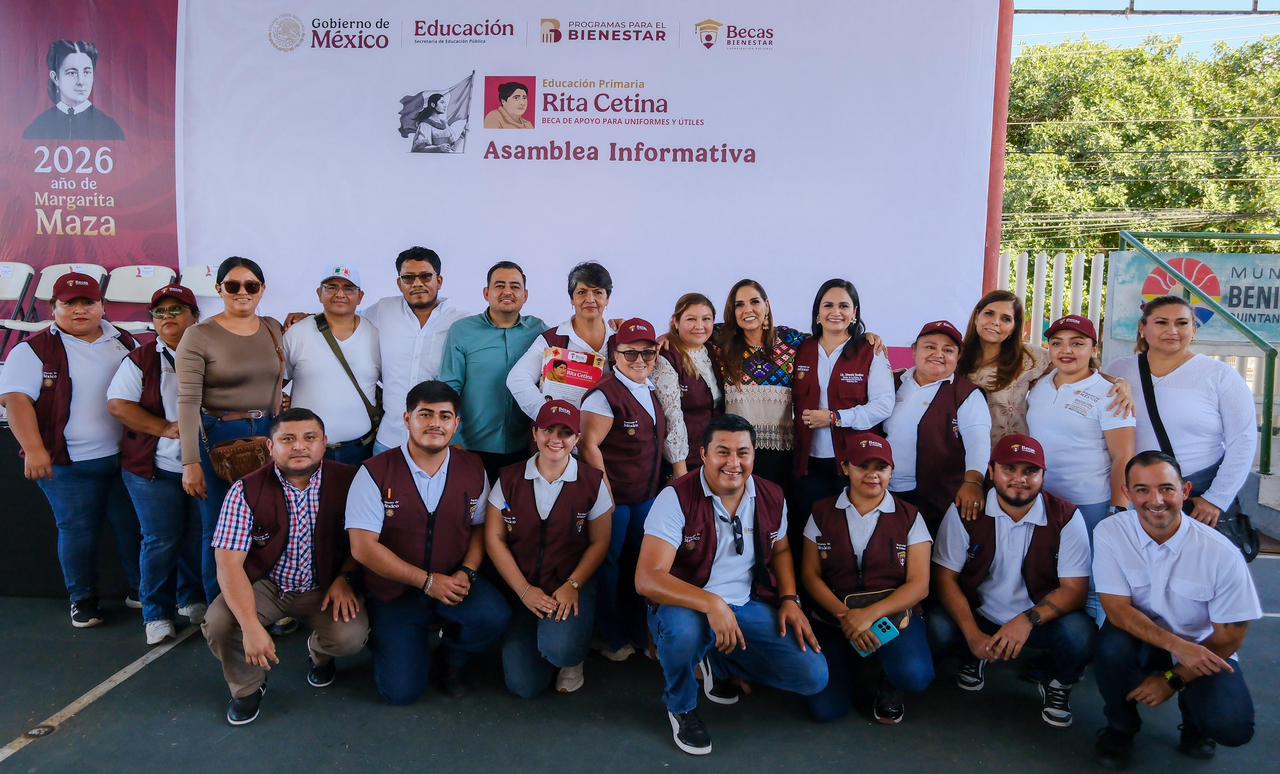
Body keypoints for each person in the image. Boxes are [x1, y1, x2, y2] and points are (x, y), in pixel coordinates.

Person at [636, 413, 827, 756]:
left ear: (754, 455)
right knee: (684, 634)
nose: (733, 463)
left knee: (813, 676)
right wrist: (712, 603)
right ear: (703, 454)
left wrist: (789, 598)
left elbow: (782, 549)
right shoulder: (675, 497)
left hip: (747, 602)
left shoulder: (771, 495)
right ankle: (681, 707)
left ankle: (718, 661)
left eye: (743, 452)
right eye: (722, 452)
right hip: (687, 604)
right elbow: (648, 578)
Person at [346, 380, 510, 704]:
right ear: (407, 419)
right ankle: (395, 641)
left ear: (456, 424)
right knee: (401, 693)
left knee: (494, 615)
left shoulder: (473, 468)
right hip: (394, 591)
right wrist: (427, 581)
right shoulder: (374, 472)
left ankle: (451, 658)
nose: (435, 423)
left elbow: (480, 528)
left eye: (445, 416)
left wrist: (467, 570)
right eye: (425, 414)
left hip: (452, 579)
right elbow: (363, 547)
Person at [1092, 451, 1260, 769]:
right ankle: (1120, 727)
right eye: (1142, 490)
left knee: (1233, 727)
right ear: (1127, 493)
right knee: (1110, 647)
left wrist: (1172, 679)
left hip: (1204, 647)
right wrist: (1177, 647)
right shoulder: (1110, 532)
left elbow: (1230, 637)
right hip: (1147, 638)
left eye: (1166, 489)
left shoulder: (1222, 554)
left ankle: (1196, 724)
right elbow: (1117, 610)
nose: (1156, 500)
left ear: (1185, 491)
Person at [202, 409, 368, 726]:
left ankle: (319, 651)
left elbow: (366, 542)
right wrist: (251, 627)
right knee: (220, 623)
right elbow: (228, 564)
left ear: (324, 442)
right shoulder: (245, 490)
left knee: (349, 637)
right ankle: (247, 687)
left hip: (326, 585)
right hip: (267, 585)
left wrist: (345, 577)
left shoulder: (352, 481)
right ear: (270, 446)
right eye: (288, 439)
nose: (299, 446)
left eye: (310, 438)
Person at [0, 273, 141, 627]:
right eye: (69, 303)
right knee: (78, 531)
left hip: (123, 459)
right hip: (66, 463)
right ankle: (83, 600)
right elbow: (16, 401)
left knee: (133, 527)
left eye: (87, 303)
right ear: (54, 308)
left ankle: (142, 590)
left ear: (102, 306)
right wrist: (34, 450)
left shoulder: (125, 341)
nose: (80, 310)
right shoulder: (31, 350)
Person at [929, 434, 1095, 728]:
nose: (1020, 479)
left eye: (1030, 471)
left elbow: (1075, 591)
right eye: (1009, 469)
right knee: (937, 626)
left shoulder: (1066, 516)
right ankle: (973, 654)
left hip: (1035, 620)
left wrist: (1027, 620)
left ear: (1043, 475)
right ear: (991, 472)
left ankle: (1059, 682)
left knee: (1080, 633)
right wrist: (972, 634)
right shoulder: (966, 509)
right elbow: (945, 577)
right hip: (979, 615)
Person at [802, 433, 934, 725]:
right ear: (845, 467)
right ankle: (854, 663)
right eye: (863, 466)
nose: (873, 475)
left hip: (893, 618)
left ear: (891, 471)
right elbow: (810, 575)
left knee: (915, 675)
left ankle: (888, 677)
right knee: (826, 710)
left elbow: (919, 585)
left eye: (881, 467)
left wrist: (868, 615)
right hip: (835, 618)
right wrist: (847, 617)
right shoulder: (821, 512)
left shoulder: (910, 516)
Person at [485, 400, 613, 697]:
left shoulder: (591, 482)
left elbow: (600, 542)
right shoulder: (509, 478)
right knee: (523, 685)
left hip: (568, 585)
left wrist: (573, 584)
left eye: (565, 432)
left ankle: (569, 655)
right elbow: (494, 538)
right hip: (525, 587)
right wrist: (524, 591)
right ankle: (547, 642)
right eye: (548, 430)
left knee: (560, 649)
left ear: (577, 439)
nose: (556, 439)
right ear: (534, 433)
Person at [1106, 295, 1257, 542]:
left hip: (1197, 500)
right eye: (1161, 322)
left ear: (1194, 329)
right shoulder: (1118, 371)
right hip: (1136, 497)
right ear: (1143, 328)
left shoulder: (1220, 375)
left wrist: (1216, 498)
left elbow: (1244, 440)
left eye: (1182, 323)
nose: (1172, 331)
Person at [178, 257, 285, 604]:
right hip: (219, 438)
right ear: (219, 288)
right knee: (219, 529)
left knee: (265, 524)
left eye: (251, 285)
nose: (243, 292)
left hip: (268, 434)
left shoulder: (272, 327)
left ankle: (263, 606)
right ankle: (220, 611)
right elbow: (187, 402)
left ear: (262, 290)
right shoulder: (199, 335)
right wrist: (190, 462)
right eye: (233, 285)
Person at [107, 285, 206, 644]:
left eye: (176, 310)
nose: (167, 317)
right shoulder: (141, 358)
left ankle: (191, 598)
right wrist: (164, 428)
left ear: (195, 316)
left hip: (205, 465)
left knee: (197, 537)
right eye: (160, 312)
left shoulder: (214, 351)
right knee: (161, 540)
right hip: (153, 469)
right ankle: (156, 614)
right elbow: (118, 405)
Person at [1026, 314, 1135, 620]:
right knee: (1053, 578)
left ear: (1093, 349)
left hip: (1089, 504)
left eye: (1077, 343)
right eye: (1057, 343)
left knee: (1095, 583)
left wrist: (1118, 510)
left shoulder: (1111, 393)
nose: (1066, 350)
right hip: (1042, 502)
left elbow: (1123, 456)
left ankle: (1096, 643)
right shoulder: (1039, 384)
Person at [580, 318, 666, 661]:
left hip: (644, 496)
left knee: (640, 565)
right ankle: (610, 637)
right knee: (609, 567)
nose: (639, 360)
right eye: (630, 353)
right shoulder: (604, 395)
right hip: (615, 500)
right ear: (615, 354)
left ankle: (639, 631)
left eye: (647, 353)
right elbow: (588, 445)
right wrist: (606, 496)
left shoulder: (649, 388)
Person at [791, 279, 894, 547]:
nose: (835, 312)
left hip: (852, 464)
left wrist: (835, 418)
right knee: (808, 534)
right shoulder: (801, 349)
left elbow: (884, 404)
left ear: (854, 313)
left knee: (846, 537)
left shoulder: (870, 351)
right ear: (817, 312)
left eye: (843, 306)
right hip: (807, 463)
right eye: (828, 305)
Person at [956, 290, 1132, 443]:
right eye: (989, 314)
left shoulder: (1029, 357)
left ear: (1014, 327)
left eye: (1006, 319)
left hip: (1011, 456)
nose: (995, 322)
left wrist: (1117, 381)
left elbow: (1079, 367)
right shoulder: (955, 355)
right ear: (977, 316)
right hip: (963, 451)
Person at [439, 260, 547, 480]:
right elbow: (449, 388)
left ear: (525, 295)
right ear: (486, 293)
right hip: (470, 447)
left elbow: (569, 351)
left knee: (514, 503)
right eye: (499, 285)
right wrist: (453, 440)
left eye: (515, 286)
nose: (507, 291)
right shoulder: (462, 331)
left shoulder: (539, 330)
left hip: (525, 449)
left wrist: (612, 332)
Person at [884, 320, 991, 534]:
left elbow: (978, 443)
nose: (938, 354)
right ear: (914, 350)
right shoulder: (892, 382)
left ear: (958, 356)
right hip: (885, 493)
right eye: (930, 347)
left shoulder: (966, 394)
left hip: (937, 499)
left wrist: (973, 483)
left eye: (948, 350)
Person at [362, 247, 469, 454]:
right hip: (389, 439)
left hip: (438, 442)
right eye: (408, 278)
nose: (417, 283)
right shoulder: (383, 310)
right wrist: (308, 317)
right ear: (399, 283)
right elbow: (344, 318)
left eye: (425, 276)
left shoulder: (460, 321)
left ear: (439, 281)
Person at [715, 279, 809, 491]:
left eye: (754, 302)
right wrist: (668, 336)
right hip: (734, 451)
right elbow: (692, 329)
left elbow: (830, 337)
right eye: (739, 304)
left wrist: (863, 336)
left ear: (767, 305)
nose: (747, 309)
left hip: (780, 452)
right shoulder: (721, 340)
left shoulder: (790, 340)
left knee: (774, 505)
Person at [283, 265, 381, 465]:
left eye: (348, 288)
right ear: (319, 293)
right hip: (305, 451)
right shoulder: (297, 333)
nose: (340, 294)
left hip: (361, 450)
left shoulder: (376, 335)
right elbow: (275, 382)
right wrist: (281, 400)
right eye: (331, 287)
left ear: (360, 296)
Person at [508, 261, 615, 415]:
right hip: (562, 429)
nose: (590, 299)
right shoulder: (552, 340)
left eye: (598, 292)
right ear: (572, 299)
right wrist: (547, 414)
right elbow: (517, 378)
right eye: (582, 292)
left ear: (607, 299)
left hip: (608, 428)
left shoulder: (620, 341)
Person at [653, 293, 723, 479]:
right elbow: (671, 416)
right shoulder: (667, 357)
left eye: (706, 319)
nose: (699, 326)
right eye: (691, 319)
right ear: (676, 322)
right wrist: (680, 470)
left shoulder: (712, 349)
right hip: (686, 460)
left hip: (714, 455)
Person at [23, 39, 125, 141]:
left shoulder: (110, 128)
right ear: (55, 78)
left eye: (86, 72)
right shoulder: (37, 128)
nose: (81, 82)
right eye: (72, 73)